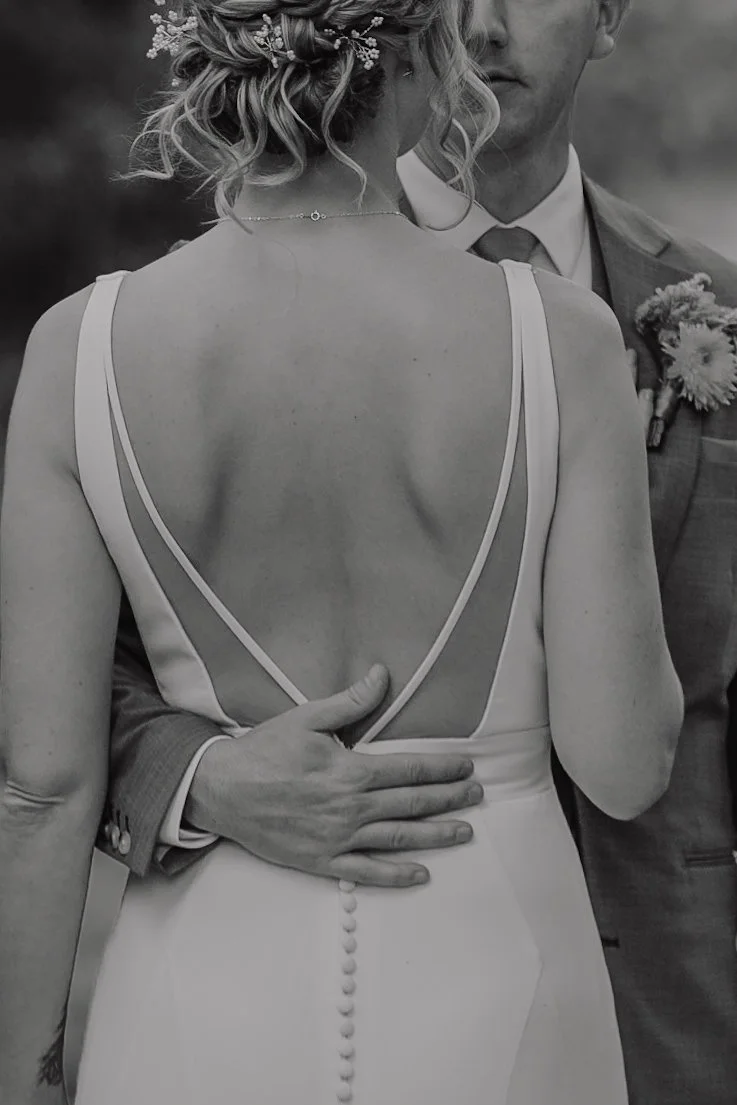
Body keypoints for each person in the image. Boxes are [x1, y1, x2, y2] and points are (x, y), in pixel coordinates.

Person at [0, 2, 682, 1104]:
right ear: (415, 55)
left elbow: (42, 789)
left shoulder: (79, 348)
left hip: (199, 994)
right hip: (501, 986)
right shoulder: (555, 335)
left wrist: (26, 1077)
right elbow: (619, 759)